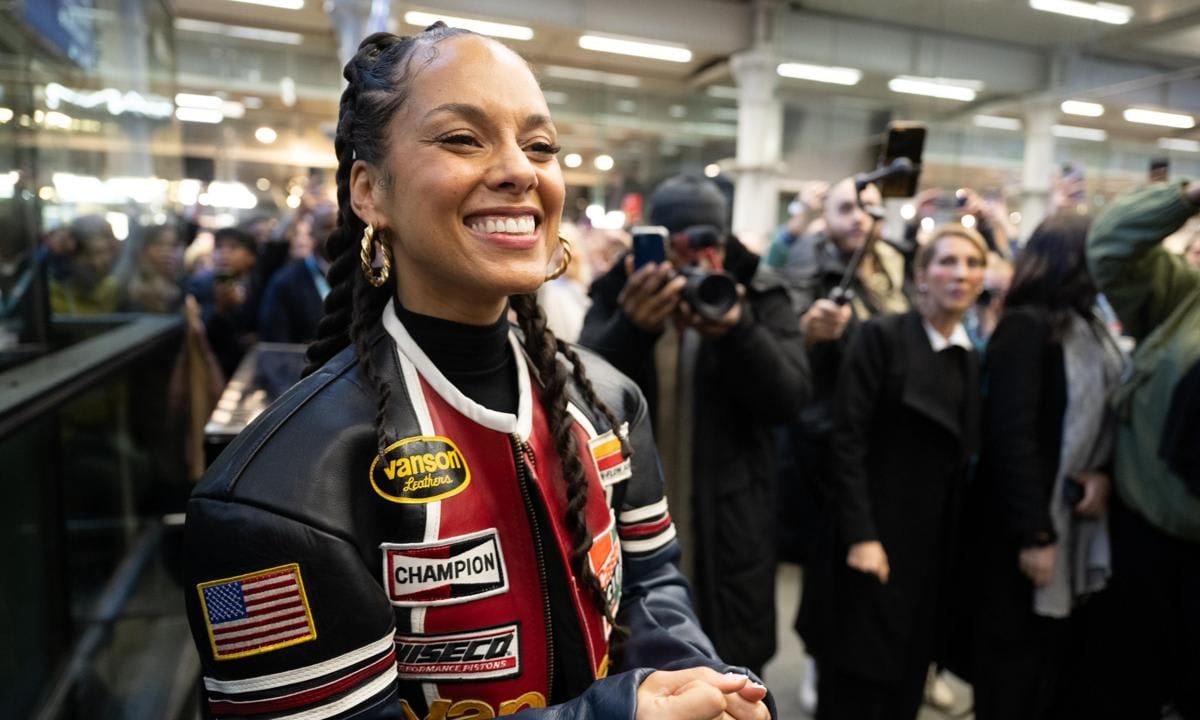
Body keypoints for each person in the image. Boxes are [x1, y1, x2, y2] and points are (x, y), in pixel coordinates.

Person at [182, 24, 772, 720]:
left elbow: (651, 582)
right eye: (464, 139)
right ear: (368, 192)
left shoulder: (610, 402)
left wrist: (703, 687)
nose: (521, 170)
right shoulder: (269, 500)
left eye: (541, 145)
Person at [580, 173, 810, 677]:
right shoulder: (619, 289)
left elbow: (790, 399)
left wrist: (737, 330)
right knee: (639, 677)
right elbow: (581, 403)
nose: (688, 261)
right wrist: (631, 329)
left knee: (735, 677)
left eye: (704, 244)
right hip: (636, 527)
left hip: (730, 528)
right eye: (671, 246)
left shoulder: (759, 291)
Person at [810, 224, 985, 720]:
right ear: (921, 275)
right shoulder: (881, 336)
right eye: (948, 262)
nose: (961, 274)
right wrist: (862, 535)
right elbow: (847, 440)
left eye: (973, 264)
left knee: (906, 680)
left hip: (930, 548)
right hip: (872, 538)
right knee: (856, 685)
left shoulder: (969, 357)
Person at [971, 214, 1122, 718]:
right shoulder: (1026, 325)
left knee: (1052, 673)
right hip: (1029, 530)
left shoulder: (1089, 324)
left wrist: (1102, 476)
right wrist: (1035, 533)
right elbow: (1010, 436)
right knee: (1015, 672)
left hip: (1077, 520)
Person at [1086, 180, 1200, 718]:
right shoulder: (1184, 297)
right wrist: (1188, 197)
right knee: (1131, 685)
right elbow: (1109, 244)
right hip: (1147, 540)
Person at [258, 205, 336, 344]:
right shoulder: (286, 281)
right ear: (312, 233)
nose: (336, 232)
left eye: (342, 226)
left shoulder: (363, 275)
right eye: (327, 227)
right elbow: (276, 342)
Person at [48, 215, 120, 315]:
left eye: (103, 253)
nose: (97, 263)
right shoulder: (52, 296)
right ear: (71, 255)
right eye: (88, 255)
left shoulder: (112, 289)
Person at [123, 223, 184, 314]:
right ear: (144, 249)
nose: (167, 251)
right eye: (159, 244)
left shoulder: (182, 283)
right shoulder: (131, 285)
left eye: (173, 245)